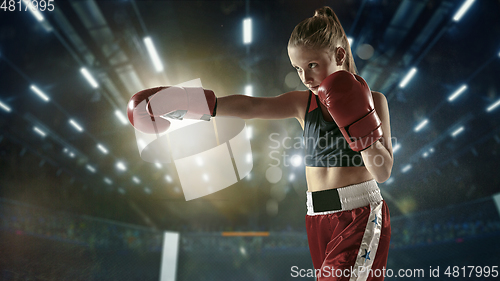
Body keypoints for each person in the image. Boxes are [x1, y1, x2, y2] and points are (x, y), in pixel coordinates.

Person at [127, 6, 392, 281]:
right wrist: (187, 103)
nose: (306, 77)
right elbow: (250, 106)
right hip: (317, 216)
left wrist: (361, 125)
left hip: (360, 213)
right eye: (298, 69)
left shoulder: (376, 100)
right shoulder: (304, 103)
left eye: (312, 65)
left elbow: (383, 172)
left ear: (338, 54)